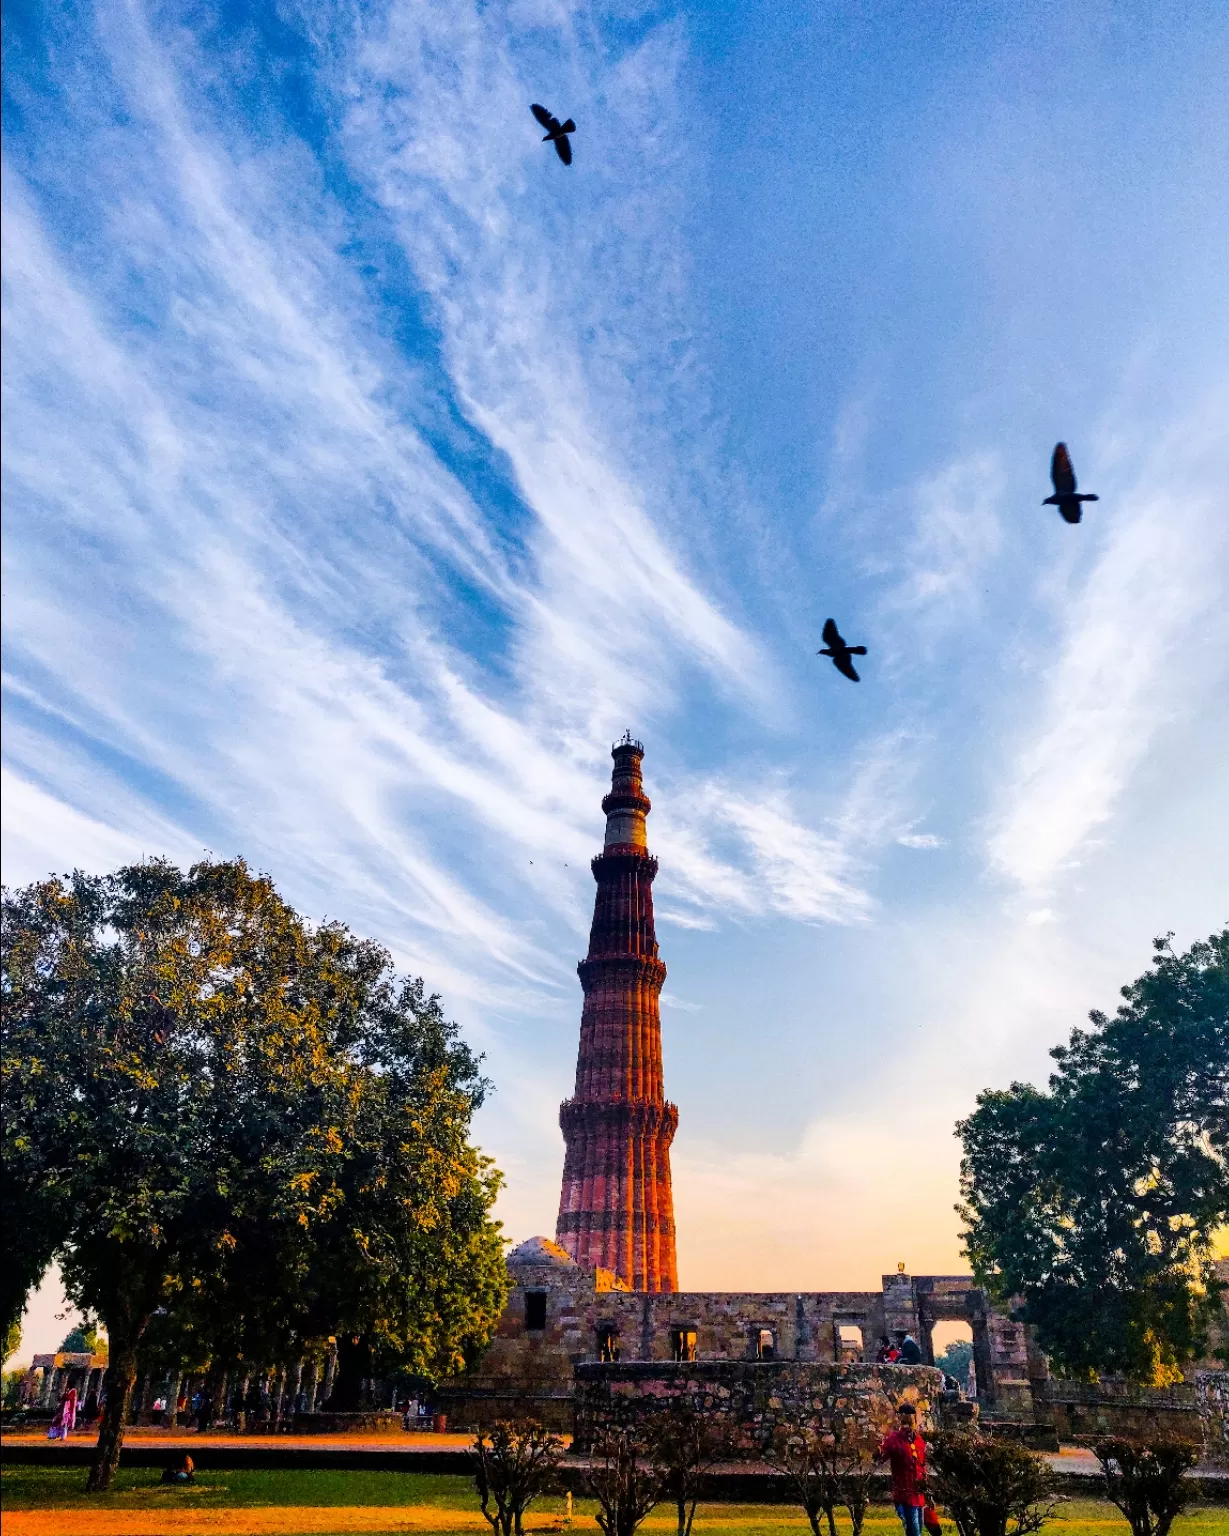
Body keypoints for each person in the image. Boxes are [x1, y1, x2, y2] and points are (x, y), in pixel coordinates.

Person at [876, 1402, 928, 1536]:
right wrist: (877, 1451)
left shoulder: (919, 1441)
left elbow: (922, 1467)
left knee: (918, 1531)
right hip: (904, 1496)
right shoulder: (894, 1440)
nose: (908, 1424)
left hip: (919, 1496)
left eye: (910, 1419)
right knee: (914, 1533)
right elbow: (880, 1457)